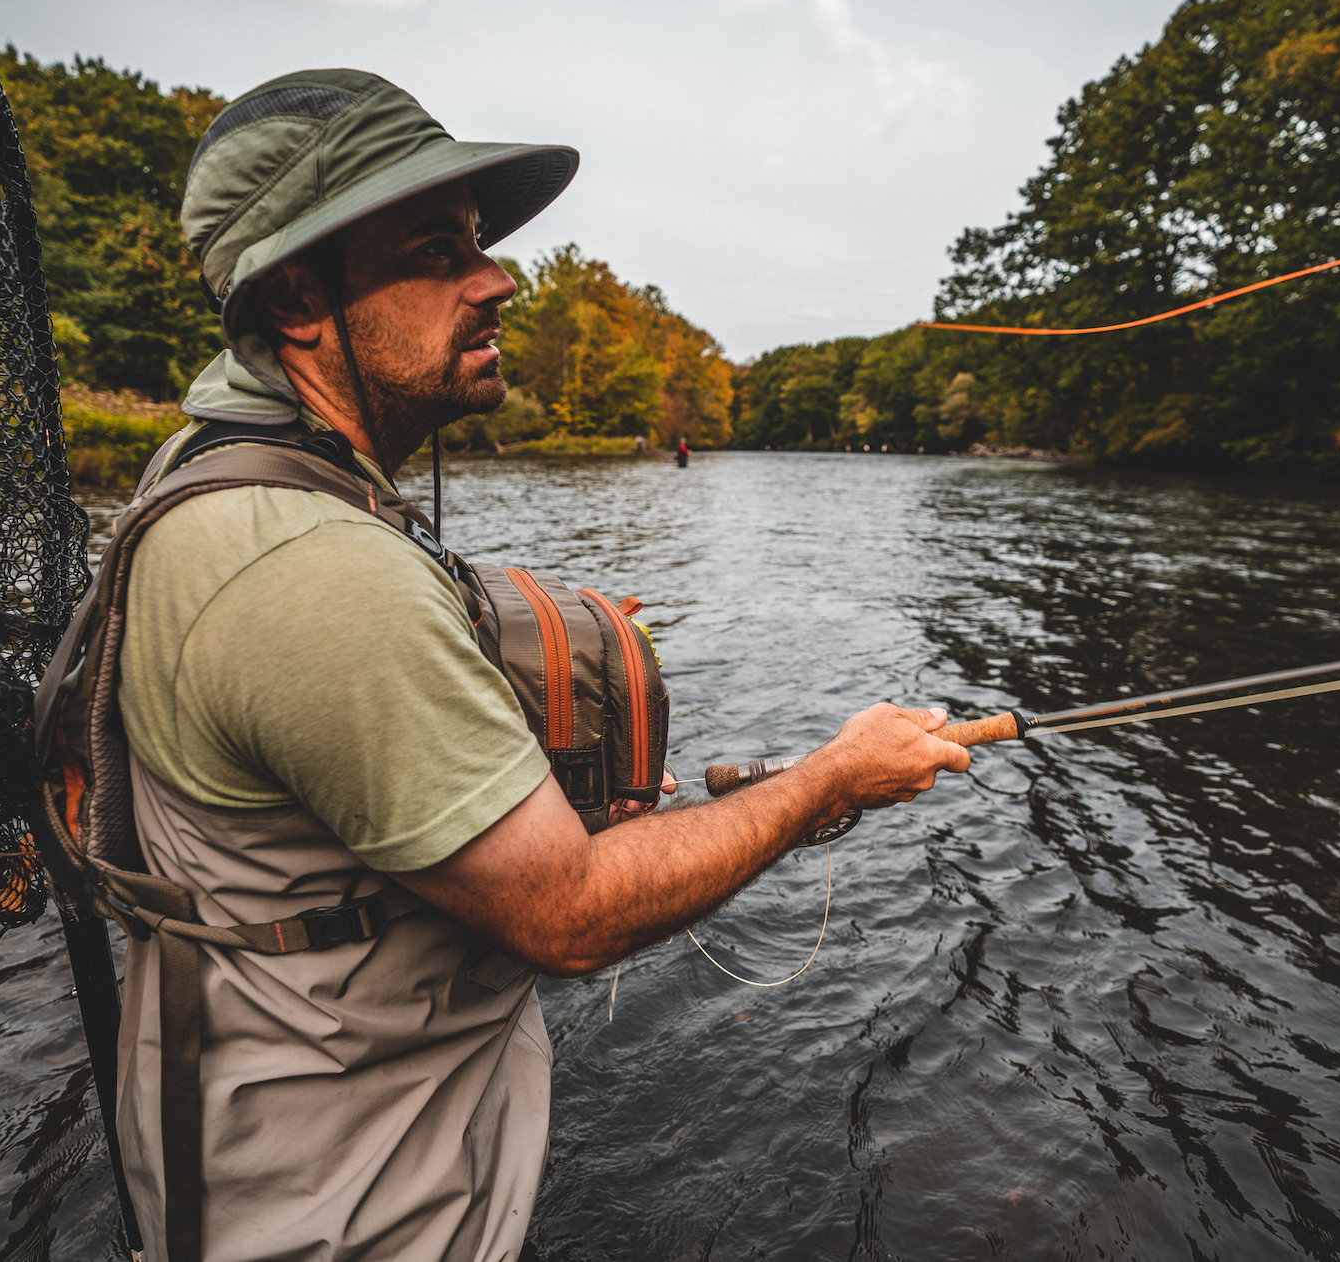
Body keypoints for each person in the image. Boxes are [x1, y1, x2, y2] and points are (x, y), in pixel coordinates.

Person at [115, 68, 968, 1262]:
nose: (497, 278)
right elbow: (564, 915)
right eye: (435, 249)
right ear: (298, 298)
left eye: (477, 241)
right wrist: (831, 778)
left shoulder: (203, 480)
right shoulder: (309, 567)